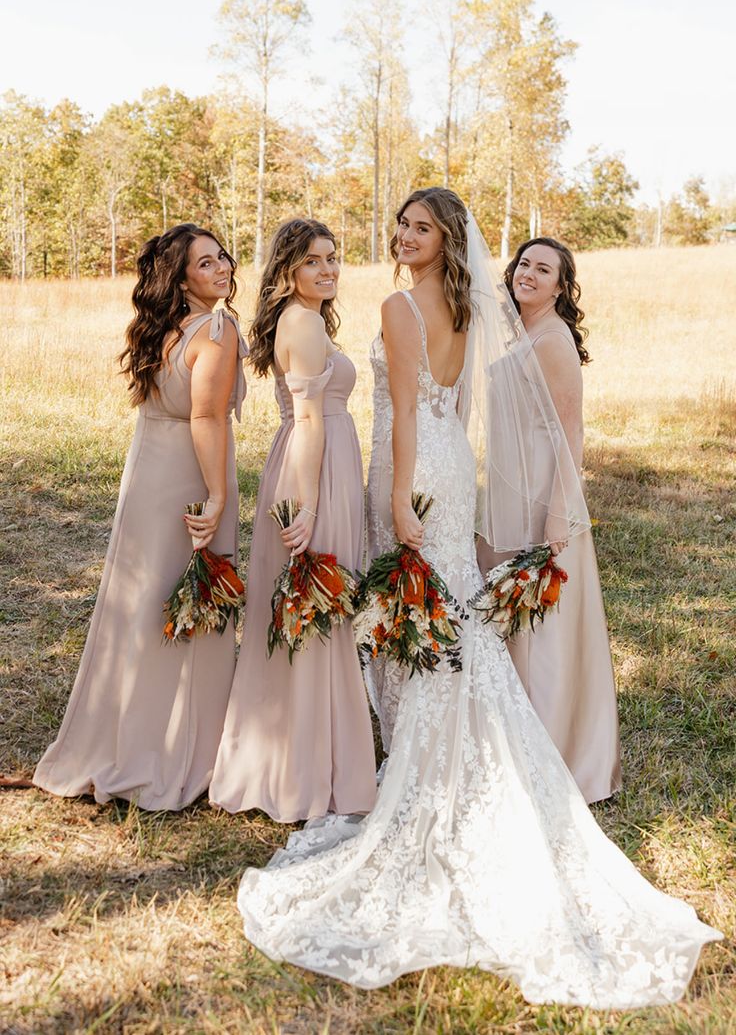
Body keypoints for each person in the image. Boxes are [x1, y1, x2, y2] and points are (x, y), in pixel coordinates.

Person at [236, 189, 720, 1007]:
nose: (402, 236)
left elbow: (402, 418)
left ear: (442, 239)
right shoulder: (467, 304)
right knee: (447, 614)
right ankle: (443, 748)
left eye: (418, 228)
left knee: (415, 619)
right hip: (452, 468)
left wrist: (393, 499)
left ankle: (422, 765)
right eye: (402, 225)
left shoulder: (397, 303)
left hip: (412, 470)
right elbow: (454, 406)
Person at [33, 223, 246, 811]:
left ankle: (126, 735)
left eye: (222, 257)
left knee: (142, 601)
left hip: (148, 466)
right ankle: (176, 748)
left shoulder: (164, 327)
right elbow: (207, 417)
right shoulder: (218, 329)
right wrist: (218, 495)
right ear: (181, 278)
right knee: (185, 603)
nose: (223, 268)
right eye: (206, 264)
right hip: (189, 473)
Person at [209, 218, 376, 821]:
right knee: (315, 609)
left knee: (313, 613)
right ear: (288, 270)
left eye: (334, 258)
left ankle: (303, 754)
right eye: (314, 261)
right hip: (313, 470)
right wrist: (307, 508)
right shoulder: (302, 323)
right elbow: (308, 422)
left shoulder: (304, 319)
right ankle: (307, 769)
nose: (329, 269)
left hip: (319, 459)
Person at [474, 236, 621, 803]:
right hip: (514, 489)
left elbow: (570, 433)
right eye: (524, 264)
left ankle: (557, 752)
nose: (529, 274)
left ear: (562, 286)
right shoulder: (522, 332)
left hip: (544, 493)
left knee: (545, 627)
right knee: (514, 618)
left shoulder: (554, 339)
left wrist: (559, 514)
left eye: (544, 270)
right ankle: (516, 738)